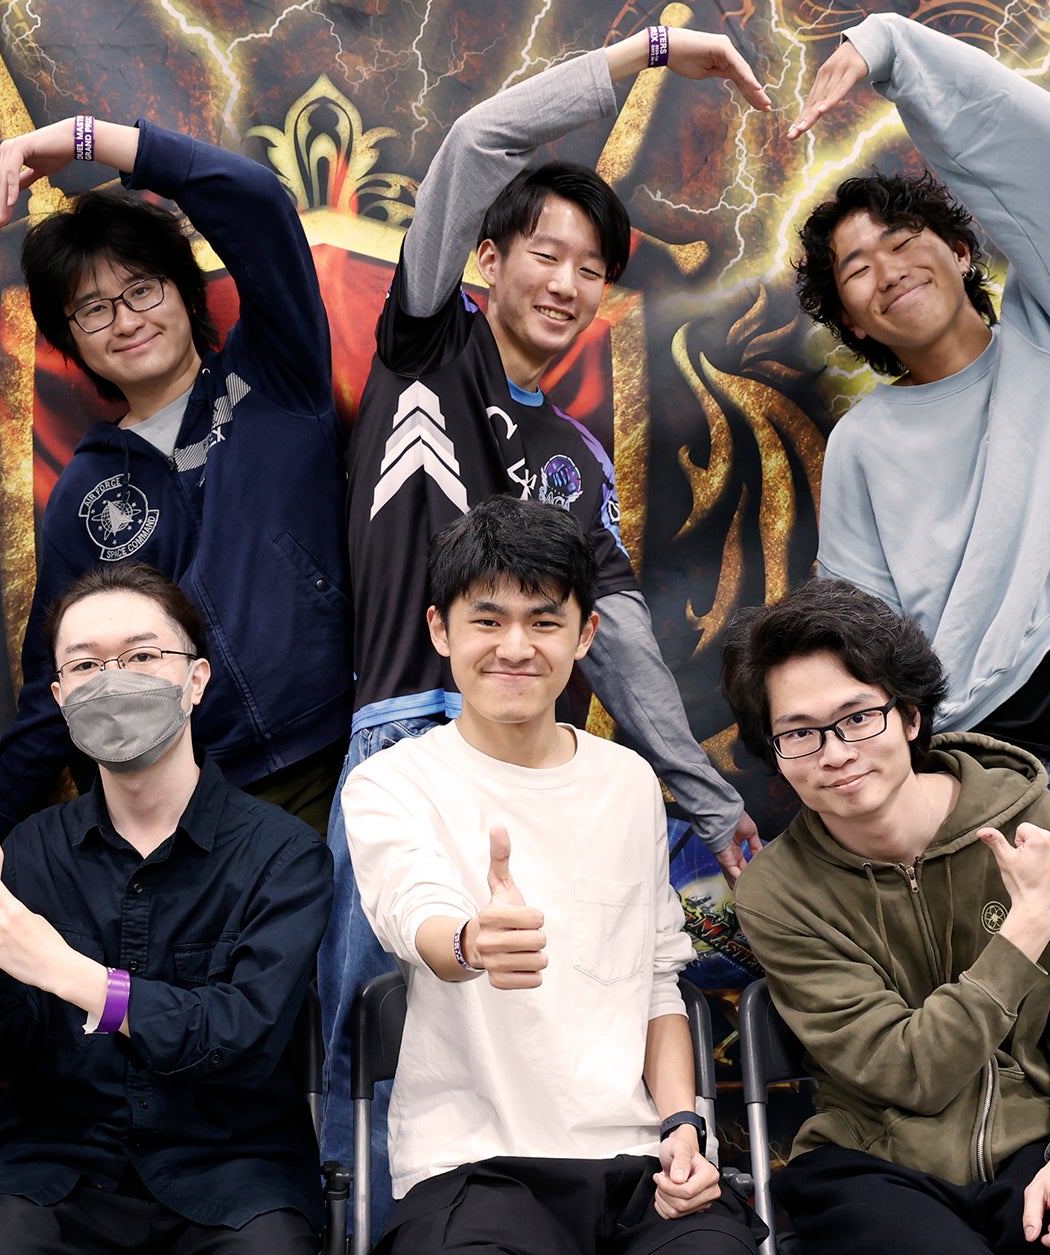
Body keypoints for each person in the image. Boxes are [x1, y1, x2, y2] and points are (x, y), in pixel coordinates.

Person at [328, 20, 770, 1214]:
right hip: (406, 747)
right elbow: (479, 138)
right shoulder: (429, 344)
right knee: (374, 1047)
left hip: (555, 771)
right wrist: (649, 51)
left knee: (562, 1025)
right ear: (488, 259)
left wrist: (705, 797)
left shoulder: (575, 454)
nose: (569, 283)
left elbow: (619, 640)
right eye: (548, 254)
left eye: (594, 268)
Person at [790, 13, 1050, 1026]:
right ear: (853, 320)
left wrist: (888, 46)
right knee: (1010, 1040)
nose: (885, 269)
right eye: (855, 270)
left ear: (963, 251)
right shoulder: (866, 442)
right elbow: (858, 632)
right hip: (980, 782)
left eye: (901, 240)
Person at [0, 562, 333, 1255]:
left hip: (235, 1177)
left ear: (196, 679)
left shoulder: (283, 854)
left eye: (142, 656)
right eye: (86, 665)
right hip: (55, 1173)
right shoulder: (29, 850)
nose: (114, 680)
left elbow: (243, 1037)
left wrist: (74, 975)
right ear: (59, 697)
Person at [342, 496, 765, 1254]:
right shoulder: (390, 783)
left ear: (585, 634)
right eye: (487, 620)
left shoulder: (628, 782)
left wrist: (682, 1127)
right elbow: (415, 910)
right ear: (440, 629)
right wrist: (472, 943)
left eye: (543, 621)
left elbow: (656, 982)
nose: (515, 647)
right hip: (471, 1168)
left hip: (635, 1165)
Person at [721, 578, 1050, 1255]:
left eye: (857, 717)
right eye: (800, 733)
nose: (835, 753)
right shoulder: (777, 892)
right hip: (871, 1164)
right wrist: (1026, 925)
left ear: (909, 716)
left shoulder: (1046, 833)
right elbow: (909, 1073)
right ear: (776, 753)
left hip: (1042, 1144)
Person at [0, 113, 350, 838]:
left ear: (186, 292)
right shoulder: (84, 494)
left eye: (142, 289)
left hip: (338, 753)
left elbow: (259, 207)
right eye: (93, 309)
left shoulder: (275, 377)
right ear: (70, 341)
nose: (125, 320)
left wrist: (88, 139)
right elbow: (57, 691)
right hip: (193, 804)